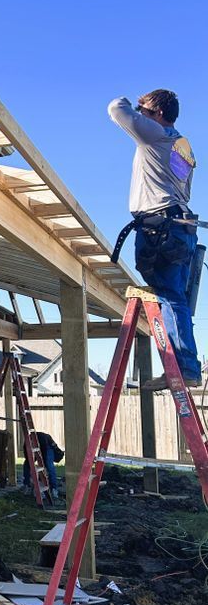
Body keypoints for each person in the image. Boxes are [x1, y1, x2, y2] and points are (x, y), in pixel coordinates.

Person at [108, 91, 200, 390]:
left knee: (169, 295)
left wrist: (136, 106)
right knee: (175, 298)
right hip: (179, 227)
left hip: (160, 227)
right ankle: (185, 365)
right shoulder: (182, 144)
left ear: (158, 113)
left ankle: (184, 368)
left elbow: (116, 109)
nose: (140, 114)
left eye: (145, 110)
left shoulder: (157, 134)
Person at [23, 430, 63, 500]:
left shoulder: (46, 442)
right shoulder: (27, 444)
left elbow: (44, 460)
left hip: (47, 445)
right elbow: (28, 459)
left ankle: (54, 489)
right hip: (39, 444)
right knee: (27, 464)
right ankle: (27, 485)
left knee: (49, 465)